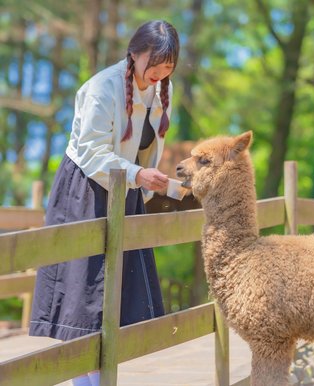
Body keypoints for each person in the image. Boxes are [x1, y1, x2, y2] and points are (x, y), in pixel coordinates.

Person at [29, 20, 180, 386]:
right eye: (154, 64)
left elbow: (145, 147)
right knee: (85, 296)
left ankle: (98, 379)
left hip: (125, 190)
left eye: (168, 67)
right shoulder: (101, 87)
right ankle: (86, 382)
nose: (159, 73)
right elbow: (91, 152)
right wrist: (137, 175)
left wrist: (146, 179)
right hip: (87, 190)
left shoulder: (161, 90)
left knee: (118, 296)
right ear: (134, 53)